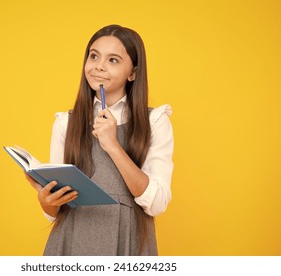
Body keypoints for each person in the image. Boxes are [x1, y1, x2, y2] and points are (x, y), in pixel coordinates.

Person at [25, 24, 174, 256]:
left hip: (128, 241)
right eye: (94, 56)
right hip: (72, 239)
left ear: (133, 72)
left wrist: (113, 146)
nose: (99, 67)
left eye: (113, 60)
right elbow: (53, 212)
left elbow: (156, 203)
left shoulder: (155, 121)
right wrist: (46, 199)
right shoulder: (66, 122)